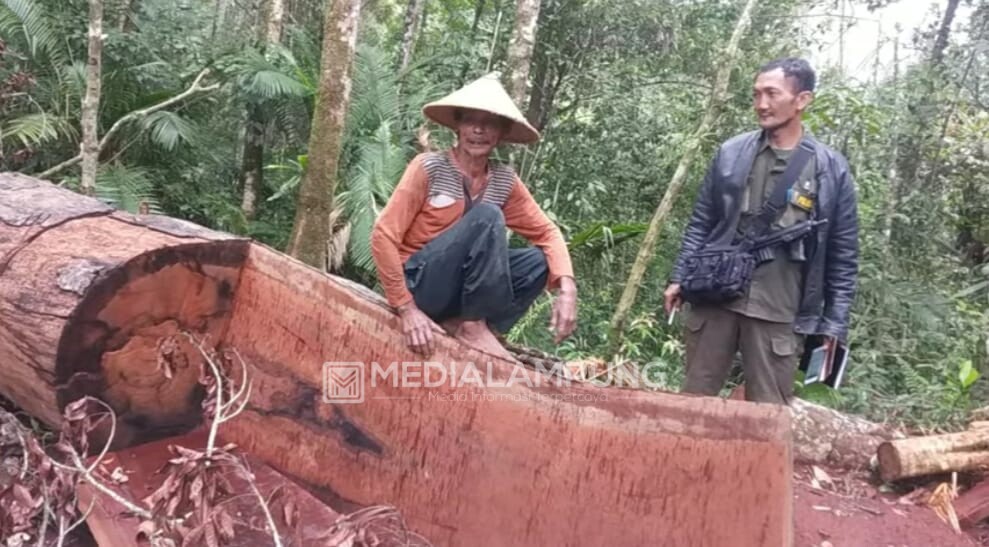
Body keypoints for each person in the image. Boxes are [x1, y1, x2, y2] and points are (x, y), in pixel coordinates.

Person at [664, 57, 859, 404]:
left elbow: (842, 256)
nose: (761, 104)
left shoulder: (831, 169)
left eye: (771, 93)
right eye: (756, 95)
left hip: (780, 312)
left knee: (769, 416)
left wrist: (834, 324)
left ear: (802, 100)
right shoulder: (731, 153)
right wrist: (679, 276)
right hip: (715, 298)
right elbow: (702, 221)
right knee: (692, 405)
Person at [371, 73, 578, 359]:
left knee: (539, 261)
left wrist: (567, 288)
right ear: (458, 126)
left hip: (460, 297)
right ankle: (473, 327)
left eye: (489, 123)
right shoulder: (429, 167)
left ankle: (475, 327)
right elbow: (383, 235)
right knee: (487, 217)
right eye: (471, 120)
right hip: (421, 283)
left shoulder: (504, 181)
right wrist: (406, 308)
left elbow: (547, 232)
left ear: (502, 133)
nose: (478, 130)